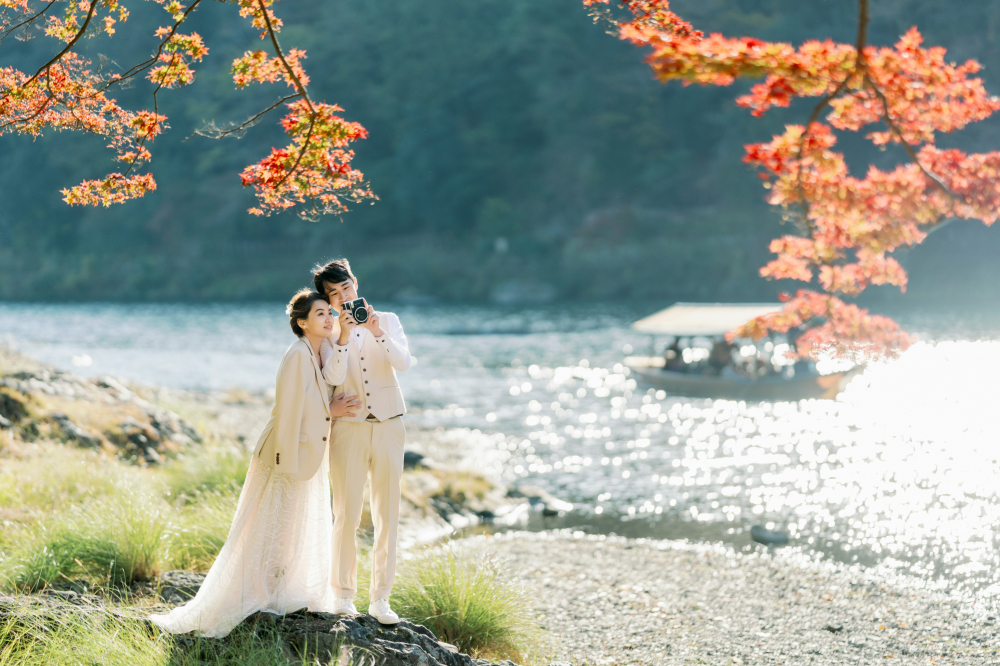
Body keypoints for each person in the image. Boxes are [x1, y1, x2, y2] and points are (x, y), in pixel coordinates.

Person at [150, 289, 361, 637]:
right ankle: (259, 594)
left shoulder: (315, 352)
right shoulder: (296, 355)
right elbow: (289, 410)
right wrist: (329, 414)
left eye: (330, 313)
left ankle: (282, 591)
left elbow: (326, 385)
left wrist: (344, 338)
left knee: (289, 527)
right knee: (269, 528)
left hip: (305, 452)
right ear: (301, 322)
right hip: (287, 453)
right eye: (320, 313)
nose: (328, 318)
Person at [315, 258, 411, 625]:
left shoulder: (387, 320)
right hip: (349, 431)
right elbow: (332, 375)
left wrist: (375, 331)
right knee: (346, 514)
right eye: (333, 294)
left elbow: (403, 363)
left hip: (390, 425)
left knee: (388, 514)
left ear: (356, 283)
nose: (342, 298)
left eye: (346, 289)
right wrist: (340, 336)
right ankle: (342, 594)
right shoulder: (327, 332)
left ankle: (381, 599)